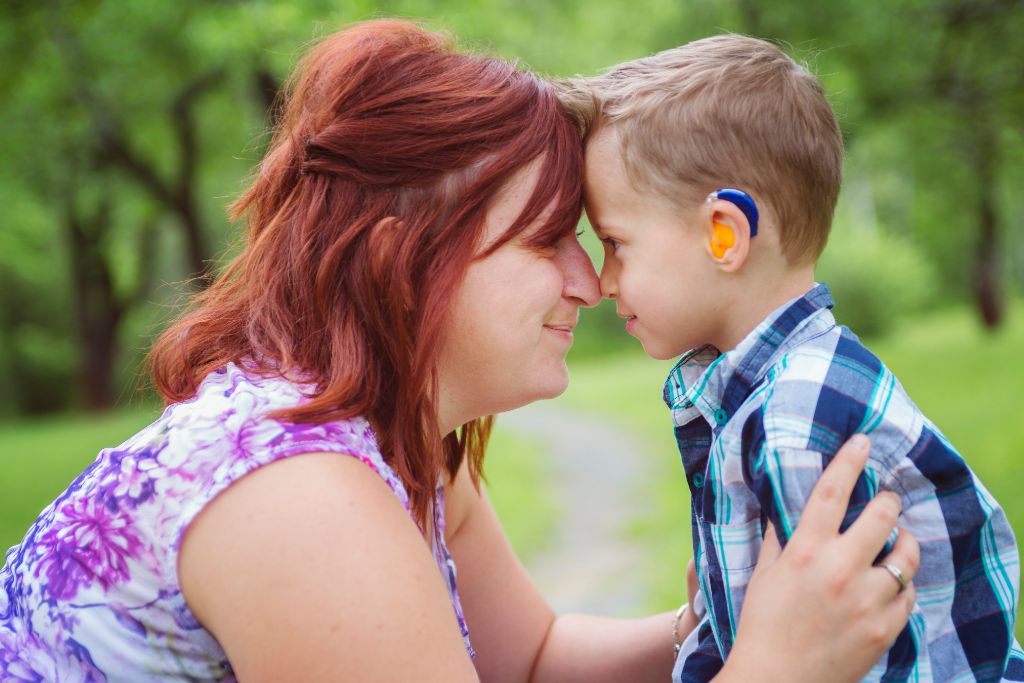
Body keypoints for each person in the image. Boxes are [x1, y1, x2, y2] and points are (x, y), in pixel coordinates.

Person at [0, 21, 919, 682]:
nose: (589, 283)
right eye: (548, 239)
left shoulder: (404, 437)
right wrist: (775, 669)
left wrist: (714, 626)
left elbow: (532, 660)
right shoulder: (302, 499)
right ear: (409, 261)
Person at [563, 34, 1024, 682]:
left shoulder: (794, 421)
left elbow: (839, 652)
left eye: (615, 243)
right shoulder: (795, 383)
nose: (604, 280)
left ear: (724, 233)